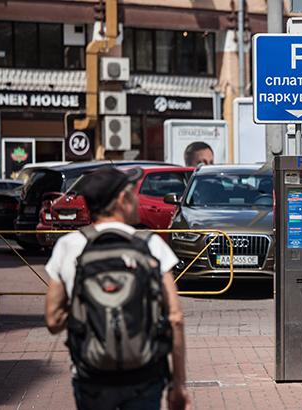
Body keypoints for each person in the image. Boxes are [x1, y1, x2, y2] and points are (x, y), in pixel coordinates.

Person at [44, 167, 191, 410]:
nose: (136, 199)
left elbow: (52, 320)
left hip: (91, 376)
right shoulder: (151, 245)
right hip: (144, 375)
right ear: (122, 200)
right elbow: (175, 318)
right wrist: (179, 384)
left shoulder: (69, 246)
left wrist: (90, 310)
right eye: (133, 194)